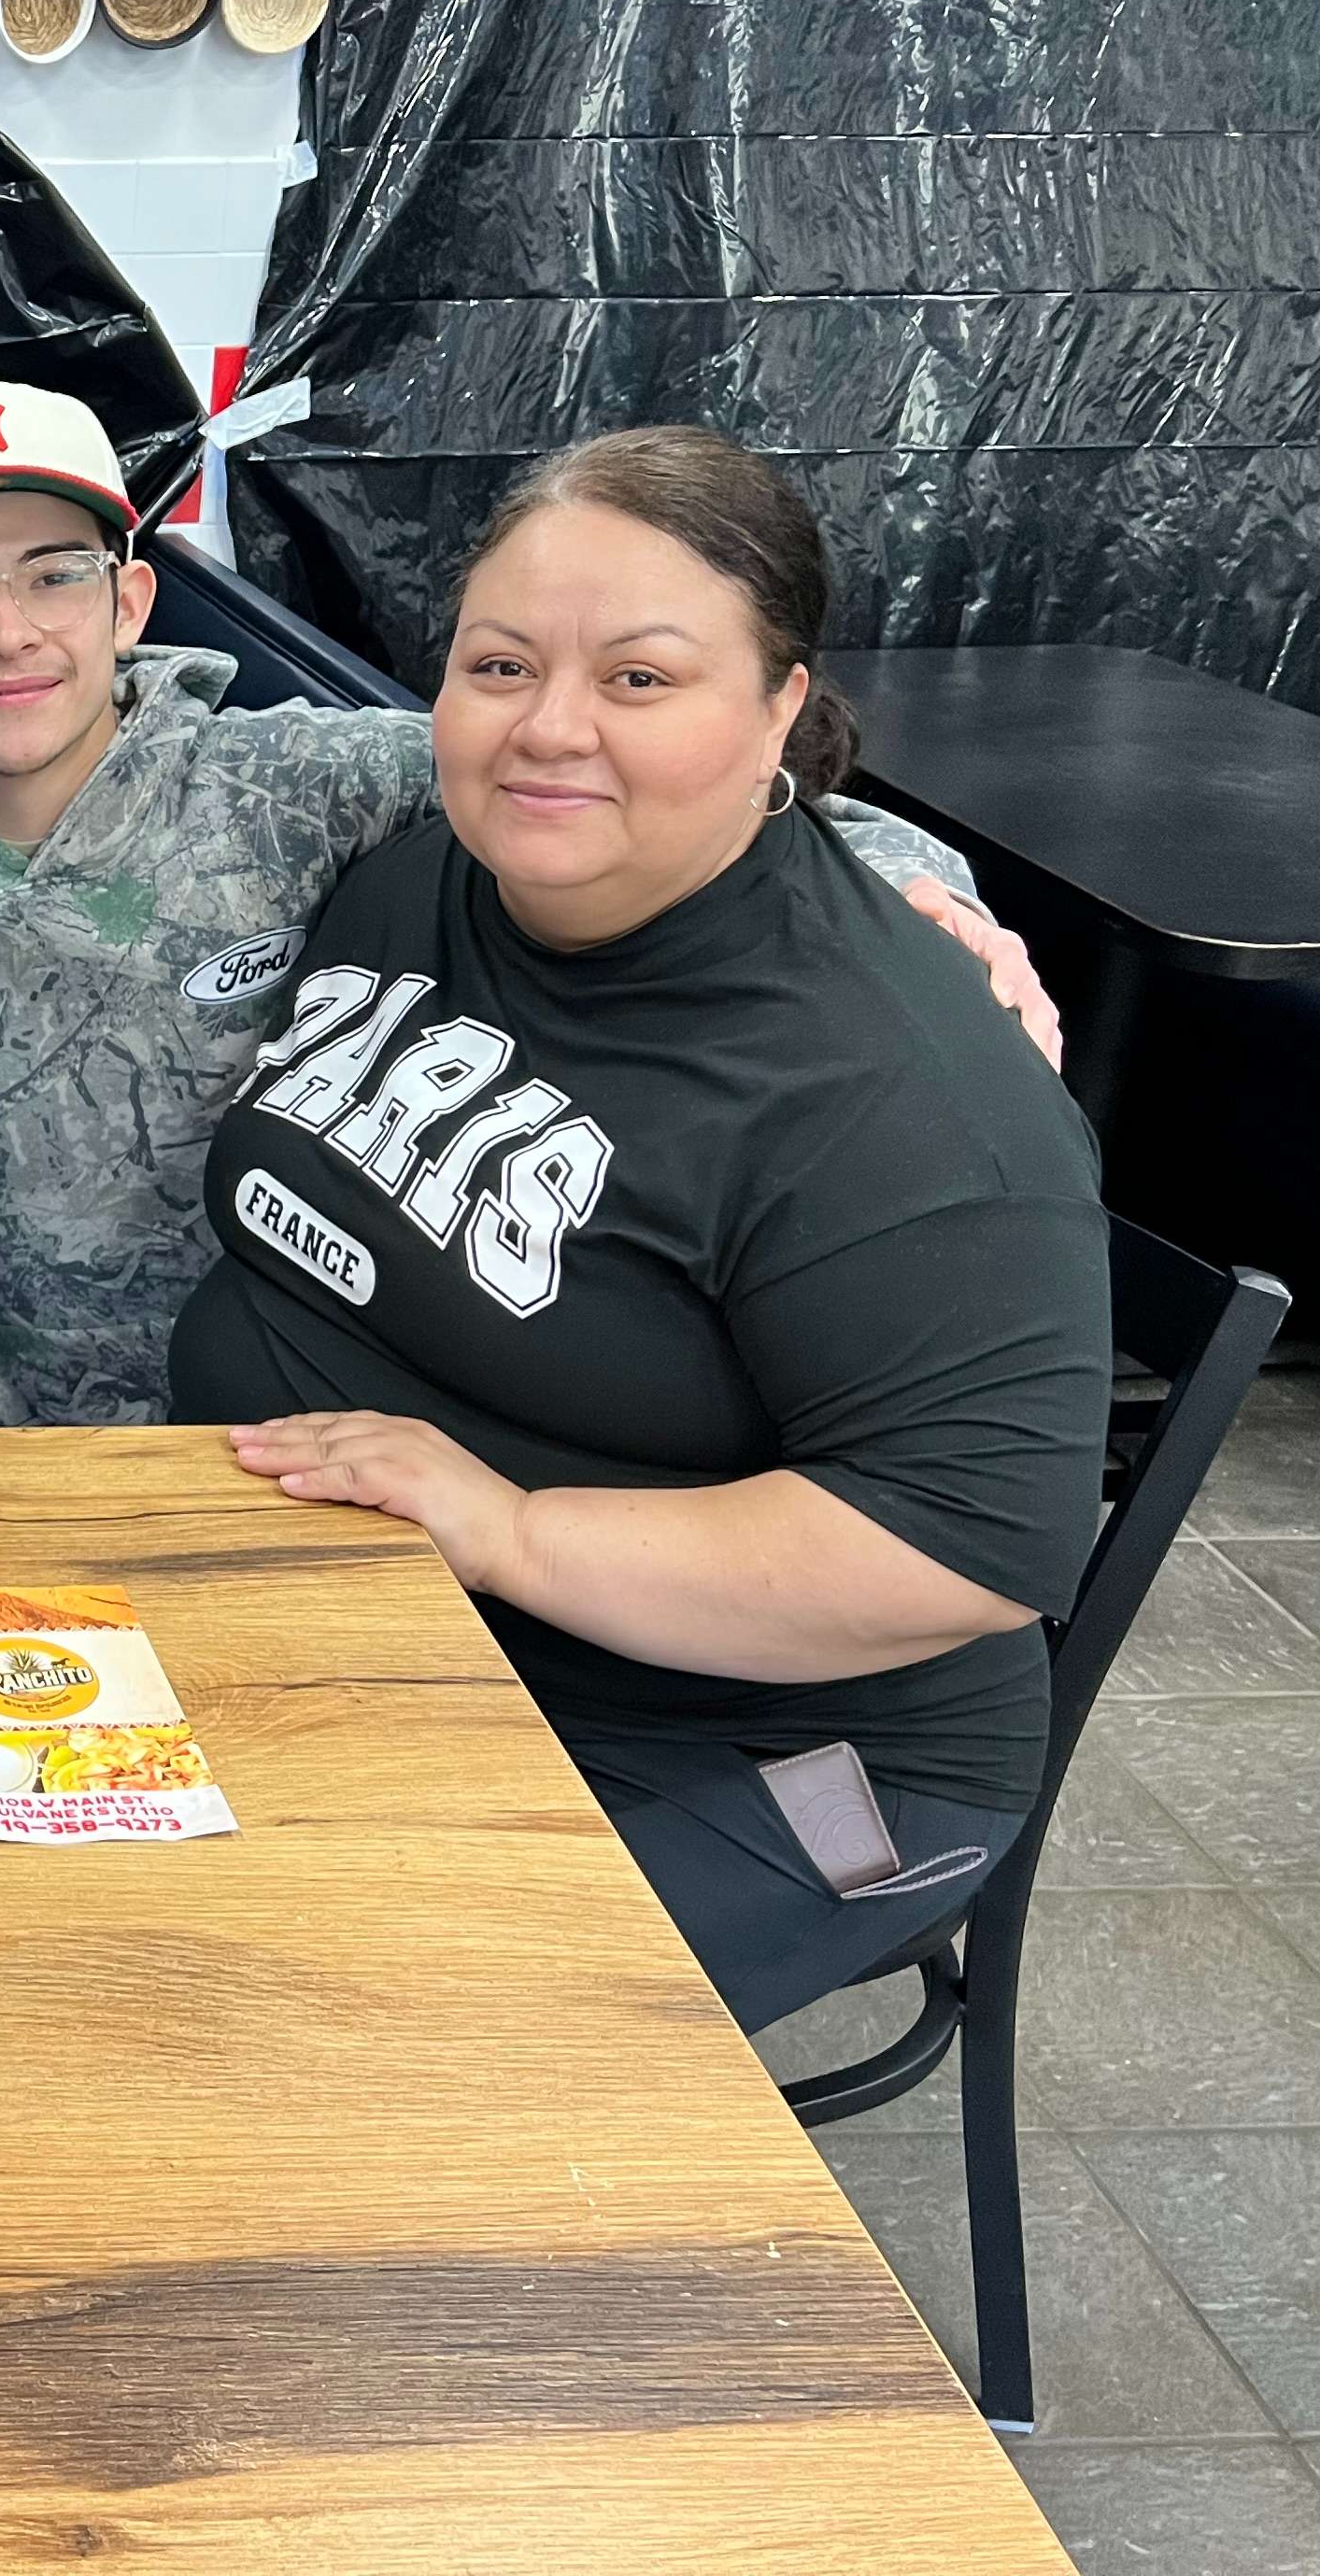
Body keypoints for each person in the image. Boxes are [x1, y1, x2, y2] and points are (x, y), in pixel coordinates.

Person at [173, 427, 1111, 2029]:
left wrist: (509, 1529)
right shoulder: (423, 877)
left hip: (769, 1753)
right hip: (384, 1630)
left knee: (318, 2035)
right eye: (500, 662)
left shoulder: (893, 1092)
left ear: (778, 711)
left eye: (639, 678)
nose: (548, 727)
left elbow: (951, 1548)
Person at [0, 377, 1061, 1424]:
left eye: (55, 575)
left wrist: (930, 905)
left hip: (319, 1426)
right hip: (15, 1464)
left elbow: (705, 801)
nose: (6, 631)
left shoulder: (292, 783)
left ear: (129, 602)